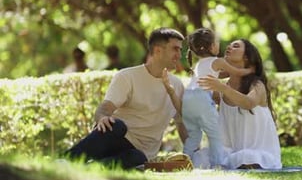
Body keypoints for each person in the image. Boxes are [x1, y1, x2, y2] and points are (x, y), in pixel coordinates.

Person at [64, 28, 187, 169]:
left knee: (139, 158)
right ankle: (65, 160)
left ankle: (86, 169)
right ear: (158, 50)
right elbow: (104, 108)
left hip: (138, 154)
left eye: (180, 50)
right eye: (175, 49)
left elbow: (181, 123)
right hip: (114, 139)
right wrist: (102, 118)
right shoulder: (127, 76)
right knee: (117, 125)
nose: (179, 54)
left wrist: (193, 154)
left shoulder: (177, 86)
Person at [196, 39, 282, 169]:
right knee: (200, 157)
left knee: (246, 157)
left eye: (235, 46)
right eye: (229, 45)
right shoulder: (221, 89)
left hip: (258, 153)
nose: (229, 47)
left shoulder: (257, 85)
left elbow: (248, 103)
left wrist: (223, 88)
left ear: (246, 58)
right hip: (231, 152)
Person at [182, 28, 254, 168]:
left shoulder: (199, 64)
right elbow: (235, 72)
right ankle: (218, 164)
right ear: (212, 47)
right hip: (201, 98)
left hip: (188, 98)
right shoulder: (217, 61)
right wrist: (250, 69)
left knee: (194, 135)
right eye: (217, 42)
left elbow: (219, 75)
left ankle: (183, 162)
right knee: (215, 134)